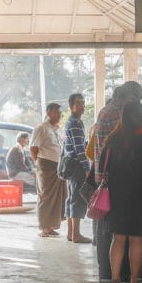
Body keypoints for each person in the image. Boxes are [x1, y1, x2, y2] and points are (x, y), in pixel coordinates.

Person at [93, 81, 142, 280]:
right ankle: (122, 273)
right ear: (129, 98)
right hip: (117, 179)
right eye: (136, 100)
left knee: (107, 229)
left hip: (104, 177)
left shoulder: (105, 110)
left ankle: (107, 273)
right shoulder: (118, 114)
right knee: (118, 232)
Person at [104, 100, 142, 283]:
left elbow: (104, 165)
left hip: (117, 195)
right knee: (136, 239)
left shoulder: (113, 138)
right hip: (140, 195)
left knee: (118, 238)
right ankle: (135, 281)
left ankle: (115, 278)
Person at [31, 102, 66, 238]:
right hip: (46, 166)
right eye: (56, 113)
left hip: (58, 166)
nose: (58, 116)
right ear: (48, 113)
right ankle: (44, 227)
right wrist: (40, 165)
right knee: (46, 197)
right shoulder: (41, 128)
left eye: (60, 114)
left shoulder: (57, 129)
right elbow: (34, 149)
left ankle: (52, 226)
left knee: (58, 198)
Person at [62, 93, 92, 244]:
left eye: (83, 102)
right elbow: (80, 148)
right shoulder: (74, 123)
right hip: (77, 165)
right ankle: (76, 235)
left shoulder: (73, 121)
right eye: (79, 103)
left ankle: (70, 233)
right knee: (78, 199)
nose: (82, 105)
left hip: (71, 165)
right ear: (72, 106)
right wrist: (87, 167)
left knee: (72, 198)